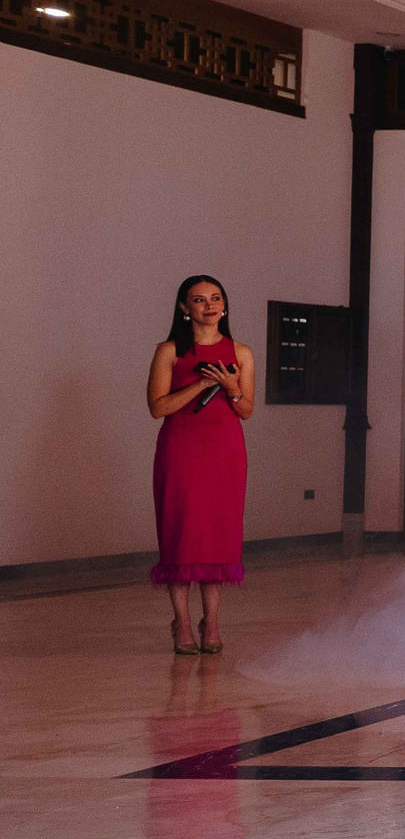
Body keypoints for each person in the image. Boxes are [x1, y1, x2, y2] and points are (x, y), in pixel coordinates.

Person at [146, 275, 253, 655]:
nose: (208, 305)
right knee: (182, 534)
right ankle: (183, 623)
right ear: (183, 307)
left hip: (224, 454)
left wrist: (231, 387)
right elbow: (158, 407)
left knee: (217, 535)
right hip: (181, 452)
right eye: (198, 299)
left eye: (215, 298)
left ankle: (213, 622)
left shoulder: (241, 352)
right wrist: (199, 385)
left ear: (224, 305)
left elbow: (246, 411)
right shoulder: (169, 351)